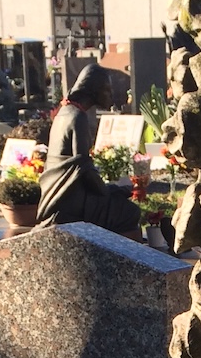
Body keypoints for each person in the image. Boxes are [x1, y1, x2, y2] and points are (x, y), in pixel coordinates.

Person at [36, 63, 142, 238]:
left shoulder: (65, 112)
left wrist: (110, 189)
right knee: (129, 212)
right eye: (107, 90)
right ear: (94, 90)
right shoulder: (78, 117)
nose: (111, 95)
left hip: (63, 194)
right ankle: (119, 261)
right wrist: (109, 191)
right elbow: (82, 168)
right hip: (70, 200)